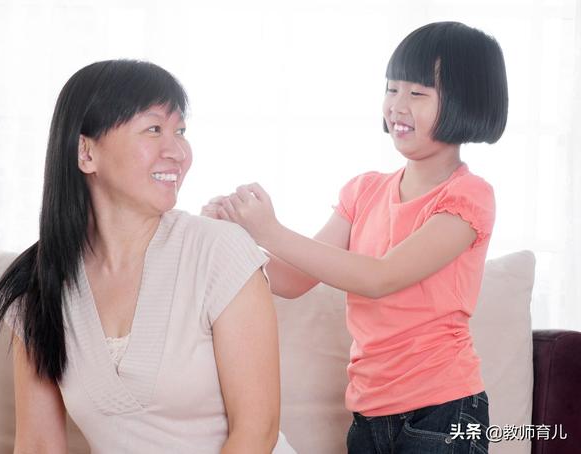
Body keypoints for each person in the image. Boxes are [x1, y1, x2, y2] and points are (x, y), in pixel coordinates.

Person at [202, 22, 508, 454]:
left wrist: (270, 229)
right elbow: (290, 280)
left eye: (417, 93)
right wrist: (233, 234)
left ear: (466, 102)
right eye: (391, 88)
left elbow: (380, 277)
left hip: (443, 410)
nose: (397, 105)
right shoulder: (363, 191)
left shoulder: (469, 196)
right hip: (368, 413)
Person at [0, 59, 296, 454]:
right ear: (86, 153)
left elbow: (257, 430)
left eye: (180, 131)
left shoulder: (219, 249)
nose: (178, 152)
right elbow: (38, 445)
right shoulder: (37, 285)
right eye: (154, 129)